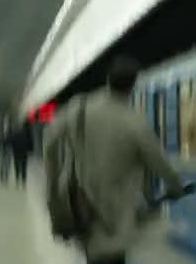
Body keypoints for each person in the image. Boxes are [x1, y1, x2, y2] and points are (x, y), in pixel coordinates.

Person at [43, 56, 184, 264]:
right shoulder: (134, 122)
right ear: (133, 85)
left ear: (108, 79)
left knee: (94, 257)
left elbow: (49, 143)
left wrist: (53, 188)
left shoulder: (78, 107)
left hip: (79, 205)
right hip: (115, 214)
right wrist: (176, 187)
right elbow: (160, 164)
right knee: (112, 257)